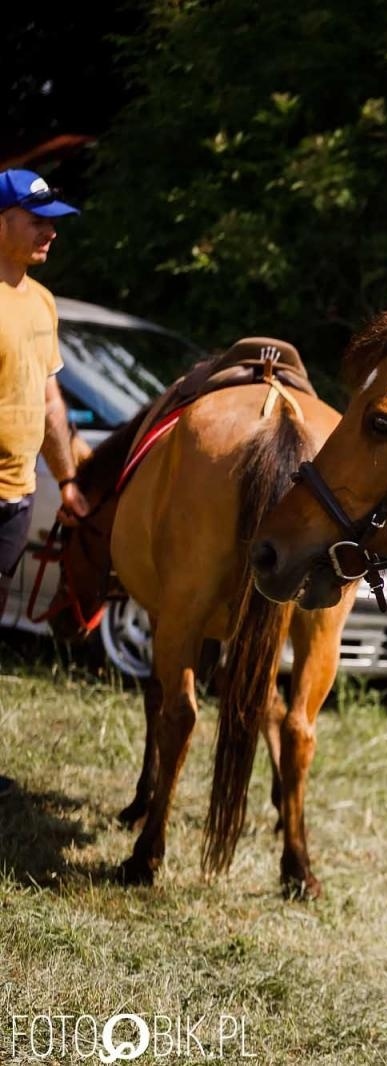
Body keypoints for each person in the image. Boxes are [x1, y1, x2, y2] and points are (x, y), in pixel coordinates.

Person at [1, 169, 90, 800]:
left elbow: (51, 399)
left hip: (14, 496)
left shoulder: (41, 301)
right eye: (38, 219)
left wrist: (66, 481)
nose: (50, 230)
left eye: (53, 220)